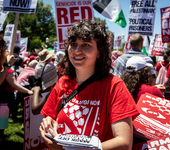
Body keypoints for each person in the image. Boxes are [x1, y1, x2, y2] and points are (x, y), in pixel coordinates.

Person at [39, 20, 139, 150]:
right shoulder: (63, 83)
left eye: (86, 45)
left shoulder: (114, 86)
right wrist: (47, 125)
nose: (77, 51)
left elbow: (124, 144)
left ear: (99, 51)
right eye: (73, 44)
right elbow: (50, 120)